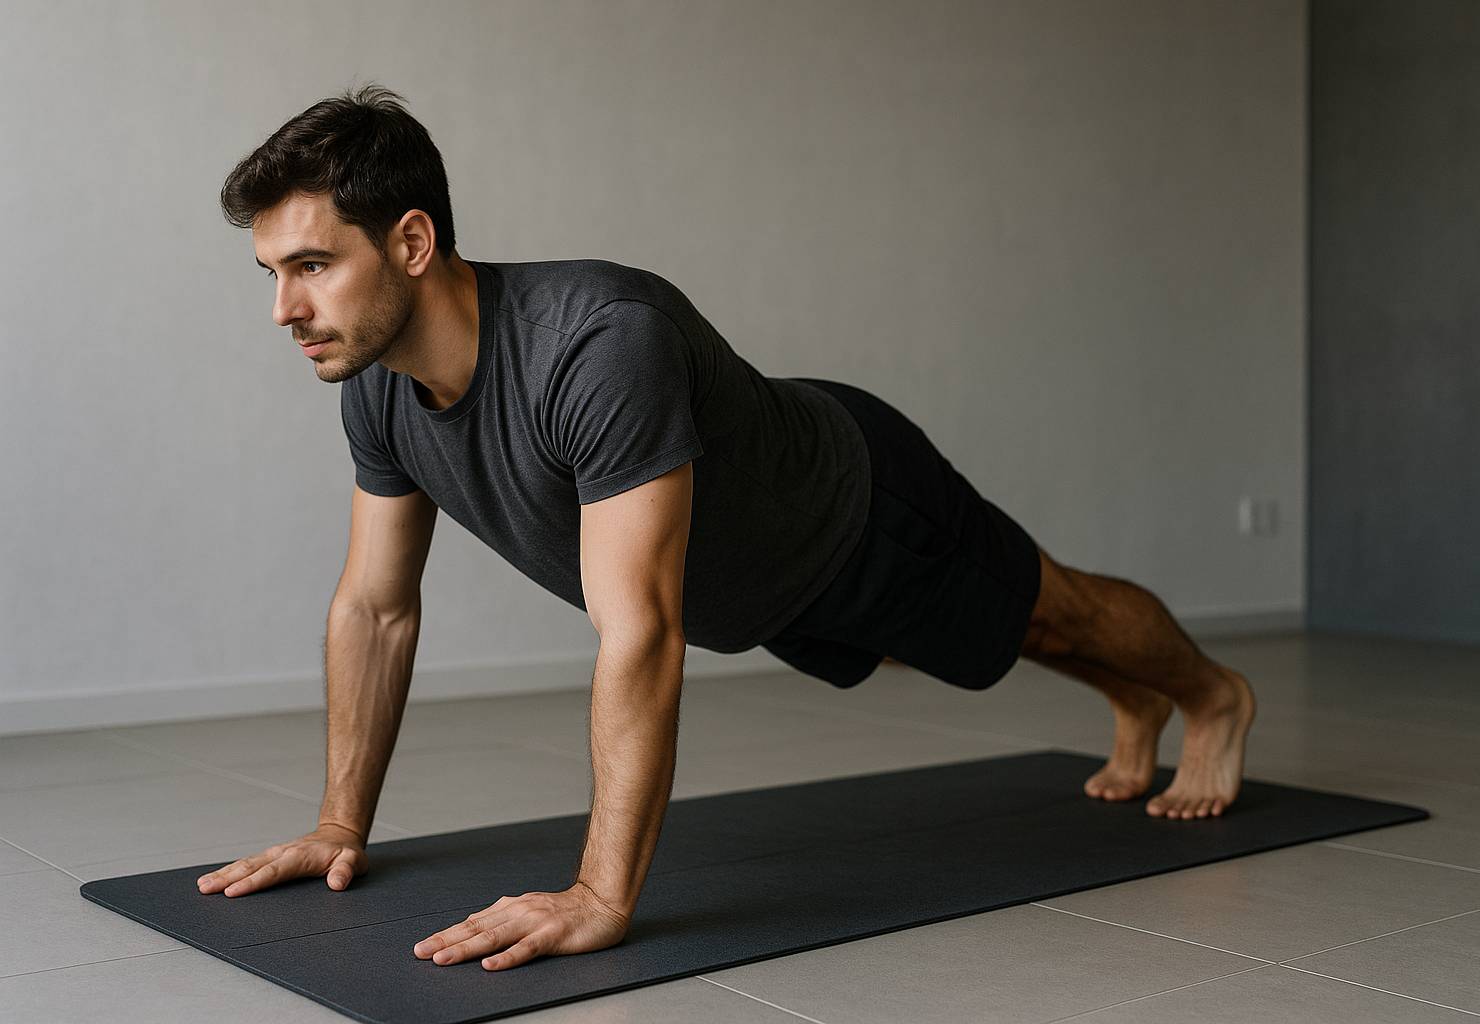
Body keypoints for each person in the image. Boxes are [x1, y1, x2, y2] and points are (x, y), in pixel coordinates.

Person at [196, 83, 1257, 972]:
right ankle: (1134, 695)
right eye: (272, 273)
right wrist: (340, 826)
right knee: (998, 639)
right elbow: (376, 607)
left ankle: (1211, 698)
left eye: (312, 266)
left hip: (854, 506)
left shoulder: (597, 345)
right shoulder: (374, 388)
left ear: (412, 241)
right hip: (758, 585)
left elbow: (640, 632)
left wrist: (600, 894)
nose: (282, 309)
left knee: (1046, 612)